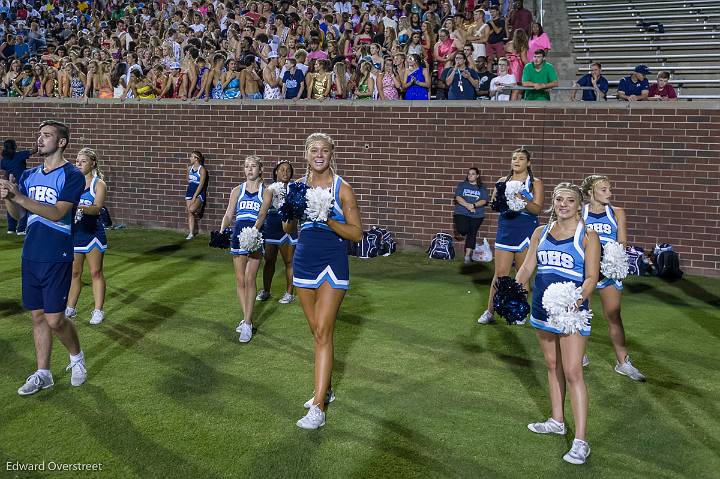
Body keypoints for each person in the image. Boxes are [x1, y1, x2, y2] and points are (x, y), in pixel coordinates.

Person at [515, 182, 600, 465]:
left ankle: (581, 441)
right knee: (552, 365)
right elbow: (528, 267)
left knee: (573, 370)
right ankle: (557, 420)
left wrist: (577, 300)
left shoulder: (587, 236)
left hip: (571, 312)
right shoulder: (541, 231)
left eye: (570, 200)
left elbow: (591, 278)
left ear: (579, 205)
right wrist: (513, 290)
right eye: (559, 199)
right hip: (542, 309)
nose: (564, 204)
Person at [0, 120, 88, 396]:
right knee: (37, 316)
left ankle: (76, 358)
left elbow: (57, 213)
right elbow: (19, 217)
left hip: (57, 254)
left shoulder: (72, 175)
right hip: (31, 254)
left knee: (54, 319)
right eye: (39, 135)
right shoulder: (28, 175)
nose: (40, 139)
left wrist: (20, 198)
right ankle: (43, 373)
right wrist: (7, 198)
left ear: (61, 142)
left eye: (47, 135)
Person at [283, 133, 362, 430]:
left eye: (324, 150)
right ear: (305, 154)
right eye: (313, 150)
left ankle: (318, 407)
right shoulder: (297, 187)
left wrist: (326, 217)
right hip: (304, 262)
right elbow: (289, 228)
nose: (319, 155)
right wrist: (290, 209)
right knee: (316, 330)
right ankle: (324, 386)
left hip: (333, 263)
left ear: (332, 154)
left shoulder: (343, 189)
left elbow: (356, 234)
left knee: (324, 332)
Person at [580, 175, 646, 381]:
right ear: (590, 192)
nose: (609, 193)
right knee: (582, 314)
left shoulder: (617, 212)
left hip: (608, 271)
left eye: (609, 189)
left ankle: (623, 362)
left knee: (614, 315)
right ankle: (579, 355)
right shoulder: (579, 212)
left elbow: (622, 241)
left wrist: (611, 260)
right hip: (585, 271)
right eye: (604, 190)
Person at [479, 147, 544, 324]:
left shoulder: (534, 183)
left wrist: (521, 198)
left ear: (528, 163)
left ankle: (519, 312)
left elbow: (537, 209)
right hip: (506, 229)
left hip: (525, 231)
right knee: (500, 274)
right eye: (514, 158)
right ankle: (490, 311)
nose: (516, 161)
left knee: (522, 273)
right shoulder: (502, 181)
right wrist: (501, 200)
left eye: (521, 158)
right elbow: (494, 205)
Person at [220, 155, 271, 343]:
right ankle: (246, 319)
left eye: (253, 166)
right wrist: (222, 229)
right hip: (237, 237)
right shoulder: (236, 190)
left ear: (260, 169)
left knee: (250, 279)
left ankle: (247, 322)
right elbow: (229, 213)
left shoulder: (266, 192)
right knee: (240, 280)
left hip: (254, 237)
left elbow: (262, 214)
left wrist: (253, 233)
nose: (249, 169)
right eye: (246, 166)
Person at [65, 148, 108, 326]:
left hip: (93, 234)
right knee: (75, 273)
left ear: (93, 163)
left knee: (95, 272)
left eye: (83, 161)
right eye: (77, 161)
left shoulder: (98, 184)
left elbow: (97, 207)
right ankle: (70, 307)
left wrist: (79, 207)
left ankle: (98, 310)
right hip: (75, 234)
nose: (79, 164)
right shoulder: (72, 182)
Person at [256, 160, 297, 304]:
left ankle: (289, 293)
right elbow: (263, 211)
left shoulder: (295, 189)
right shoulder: (270, 189)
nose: (285, 172)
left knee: (289, 262)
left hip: (288, 230)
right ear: (275, 172)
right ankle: (266, 290)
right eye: (282, 170)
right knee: (269, 262)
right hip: (271, 229)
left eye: (288, 170)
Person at [454, 167, 489, 264]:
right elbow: (458, 197)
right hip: (461, 212)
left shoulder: (482, 188)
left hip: (477, 215)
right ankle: (460, 232)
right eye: (469, 174)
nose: (470, 176)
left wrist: (474, 205)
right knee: (463, 229)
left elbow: (484, 200)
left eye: (473, 174)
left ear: (477, 176)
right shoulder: (462, 185)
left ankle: (467, 256)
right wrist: (468, 206)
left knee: (472, 233)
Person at [1, 138, 35, 234]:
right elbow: (34, 150)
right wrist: (38, 140)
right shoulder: (19, 155)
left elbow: (6, 172)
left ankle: (11, 228)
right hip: (22, 184)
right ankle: (21, 229)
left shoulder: (4, 160)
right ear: (14, 147)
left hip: (11, 184)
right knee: (23, 205)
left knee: (11, 205)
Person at [184, 150, 208, 240]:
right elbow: (188, 179)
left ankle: (199, 207)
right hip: (189, 191)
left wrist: (195, 196)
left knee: (192, 209)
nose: (190, 158)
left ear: (196, 158)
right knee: (190, 212)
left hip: (198, 192)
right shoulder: (189, 168)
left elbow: (201, 184)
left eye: (191, 156)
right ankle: (191, 233)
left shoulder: (202, 169)